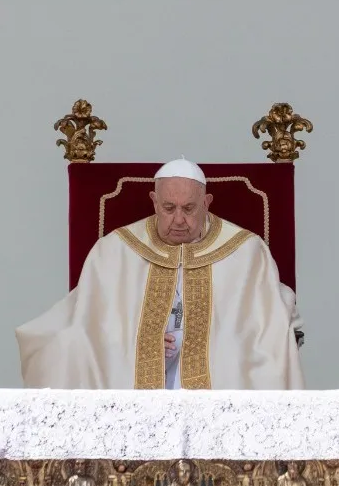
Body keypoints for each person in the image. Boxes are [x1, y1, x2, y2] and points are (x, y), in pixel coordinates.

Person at [16, 159, 303, 389]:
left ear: (206, 203)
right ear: (154, 201)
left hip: (218, 384)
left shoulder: (246, 252)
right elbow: (87, 328)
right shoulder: (115, 251)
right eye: (168, 208)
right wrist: (141, 344)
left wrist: (205, 342)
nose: (179, 219)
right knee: (66, 346)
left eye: (189, 208)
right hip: (132, 384)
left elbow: (265, 331)